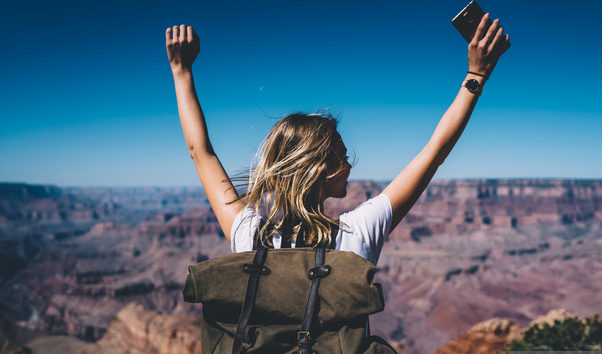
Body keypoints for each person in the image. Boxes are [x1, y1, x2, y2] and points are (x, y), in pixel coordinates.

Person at [165, 15, 510, 264]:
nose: (350, 165)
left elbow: (202, 153)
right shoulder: (357, 232)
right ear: (319, 169)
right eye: (343, 157)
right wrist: (476, 75)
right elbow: (434, 153)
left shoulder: (247, 233)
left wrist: (181, 72)